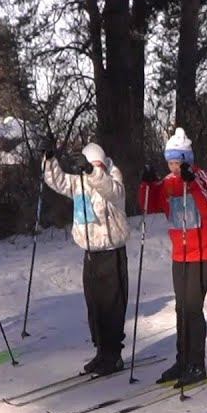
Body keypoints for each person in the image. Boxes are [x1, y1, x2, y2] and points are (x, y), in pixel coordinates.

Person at [138, 128, 207, 386]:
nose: (174, 167)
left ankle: (197, 364)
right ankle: (182, 359)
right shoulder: (169, 182)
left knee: (193, 309)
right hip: (180, 254)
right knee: (181, 308)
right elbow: (148, 204)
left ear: (188, 159)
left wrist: (192, 184)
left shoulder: (203, 178)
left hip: (203, 252)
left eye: (178, 162)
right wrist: (148, 184)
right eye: (170, 162)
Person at [41, 143, 131, 375]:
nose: (93, 170)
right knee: (94, 305)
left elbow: (113, 191)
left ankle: (114, 355)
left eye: (97, 165)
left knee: (112, 305)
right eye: (89, 166)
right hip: (90, 253)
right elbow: (58, 181)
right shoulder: (79, 183)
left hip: (111, 252)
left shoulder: (113, 178)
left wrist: (93, 172)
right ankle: (101, 351)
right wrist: (50, 160)